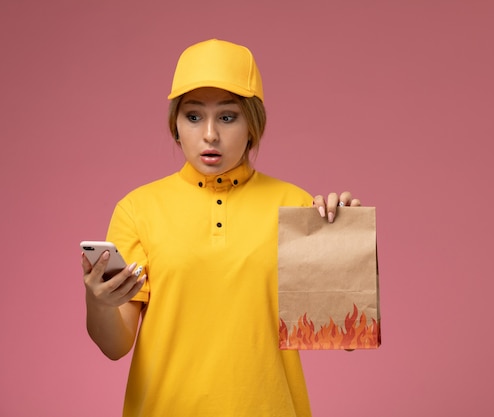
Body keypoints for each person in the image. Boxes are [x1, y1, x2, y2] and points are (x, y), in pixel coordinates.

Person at [82, 38, 361, 417]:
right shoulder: (138, 209)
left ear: (253, 126)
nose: (209, 134)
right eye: (193, 116)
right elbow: (115, 346)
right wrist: (98, 302)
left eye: (227, 117)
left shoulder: (296, 205)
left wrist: (344, 241)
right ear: (176, 126)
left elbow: (343, 336)